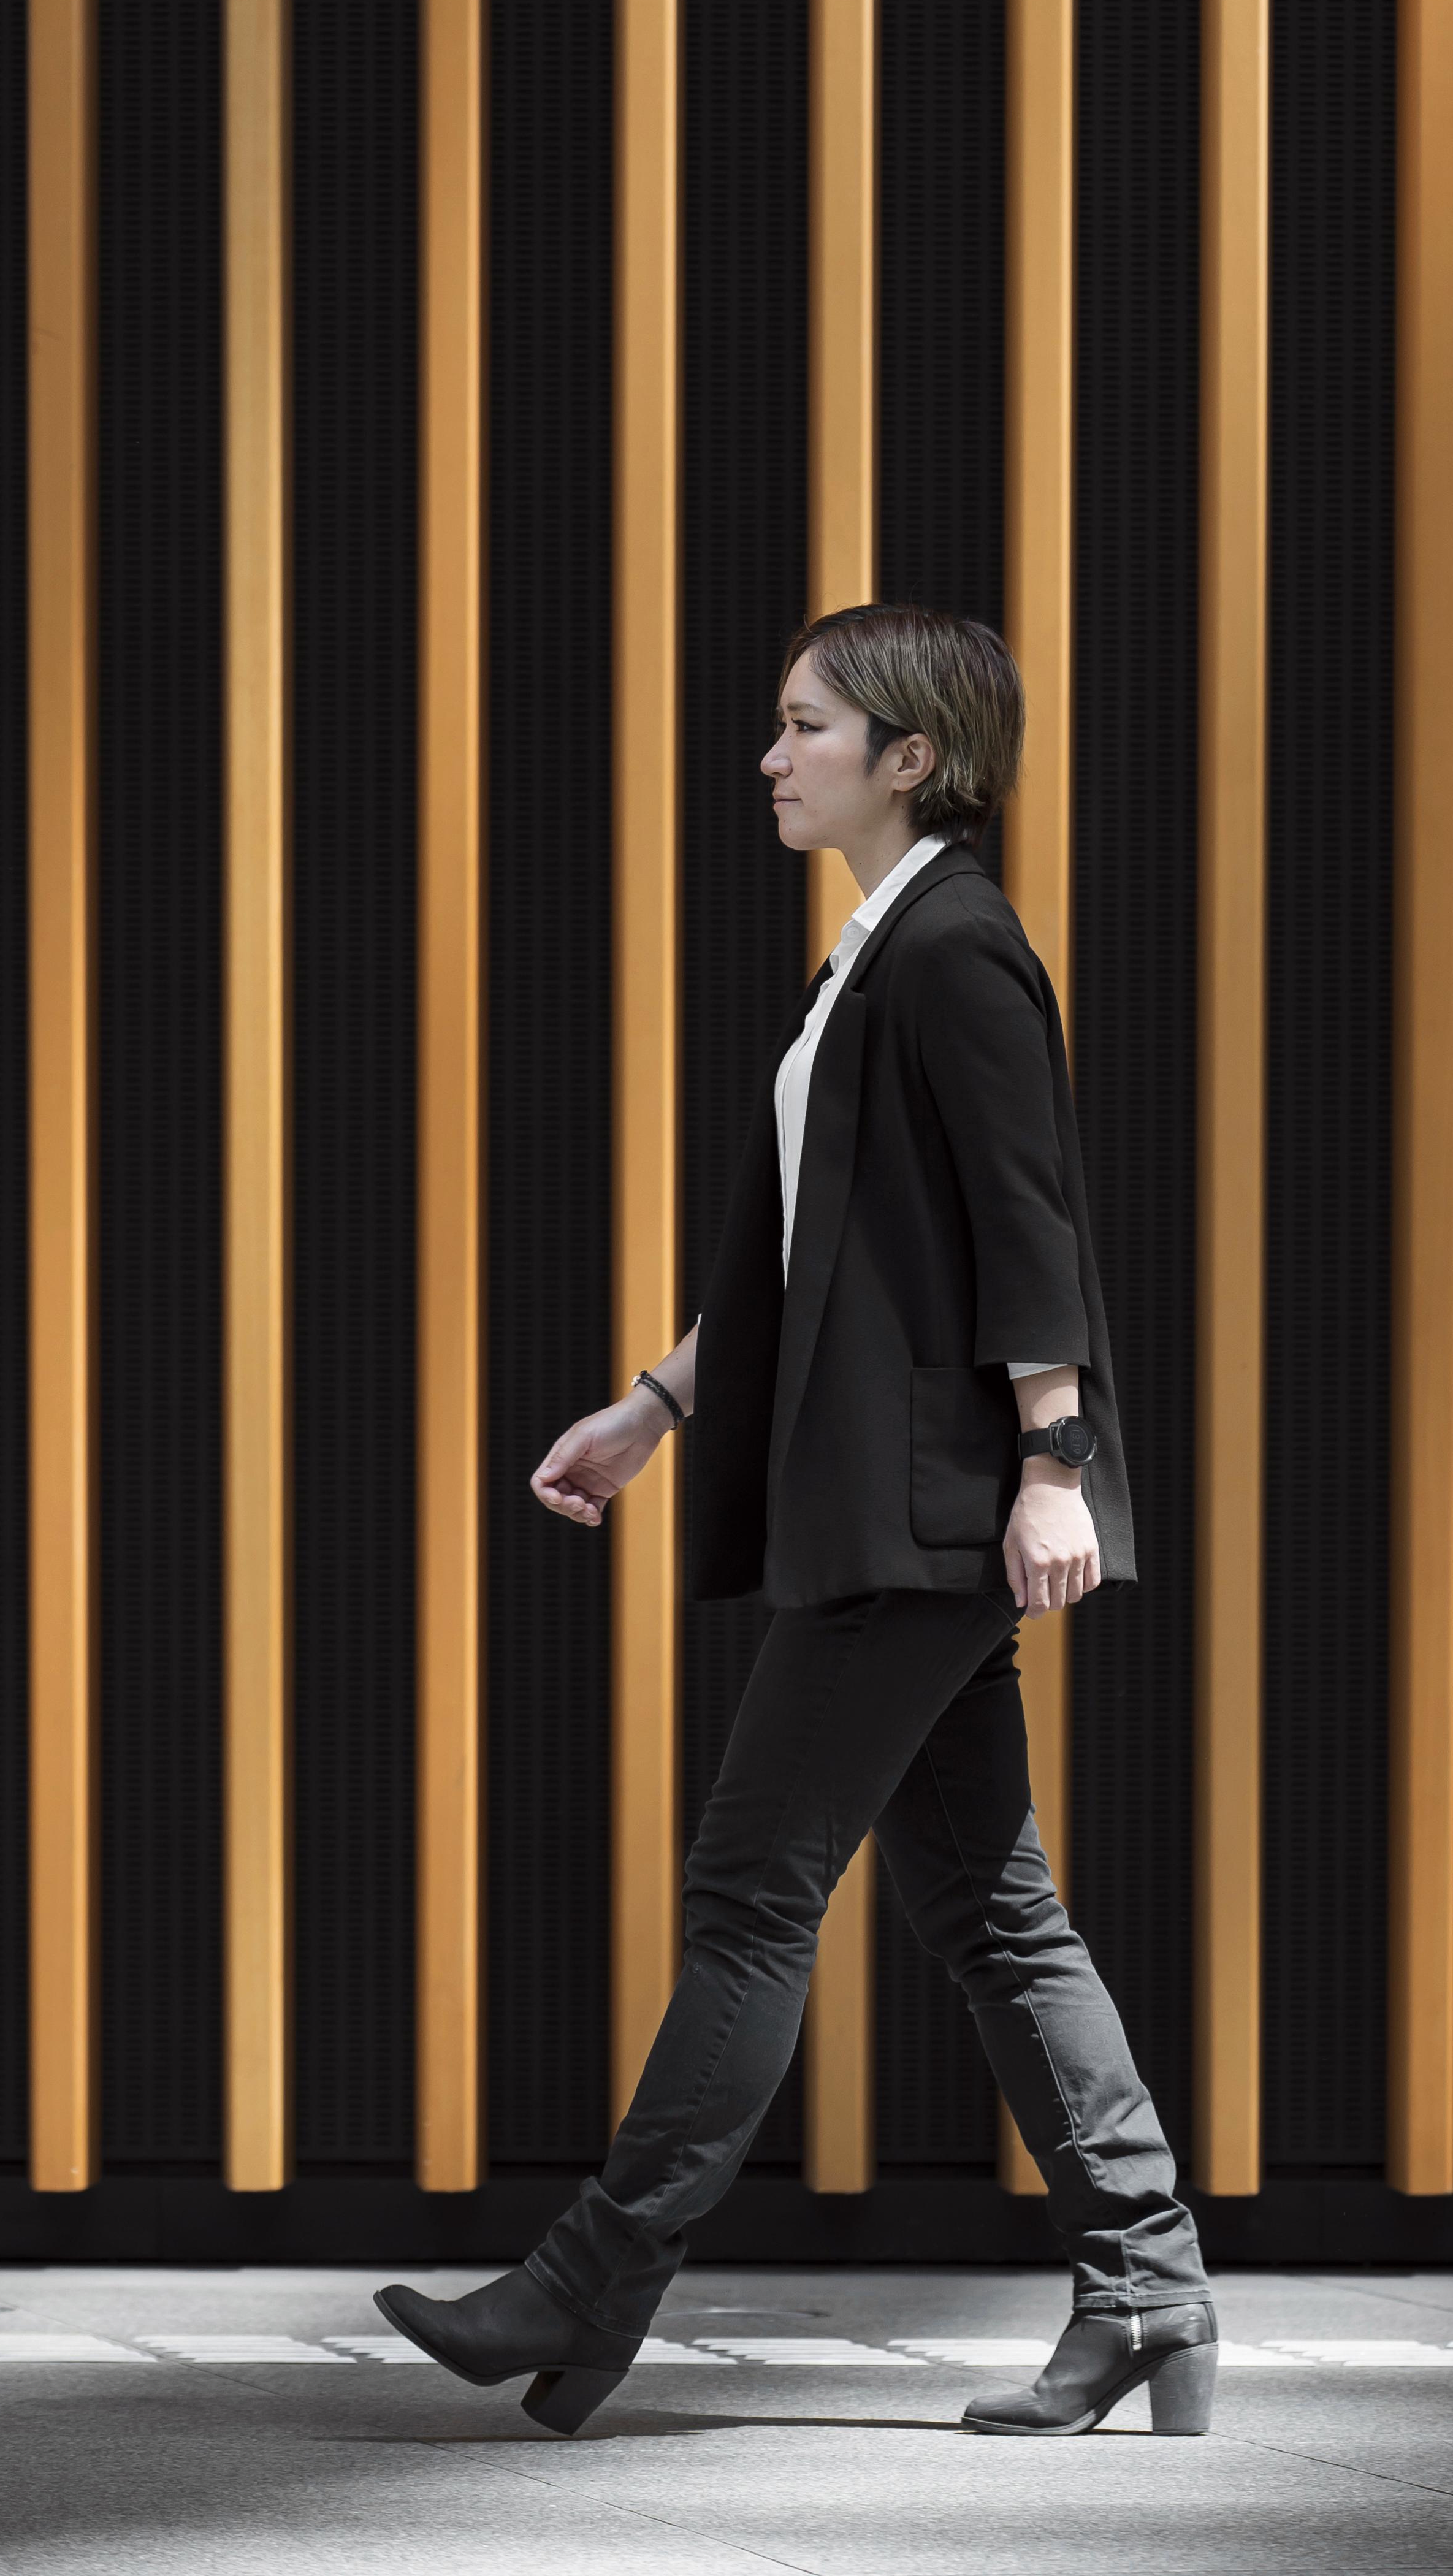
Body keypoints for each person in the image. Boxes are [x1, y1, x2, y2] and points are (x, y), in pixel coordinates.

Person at [378, 604, 1216, 2436]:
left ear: (912, 757)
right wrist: (654, 1407)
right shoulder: (875, 951)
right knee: (994, 1908)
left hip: (921, 1515)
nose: (771, 756)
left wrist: (1056, 1462)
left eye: (806, 724)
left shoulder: (956, 946)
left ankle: (589, 2284)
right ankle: (1148, 2288)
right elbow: (806, 1251)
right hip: (895, 1503)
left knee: (752, 1894)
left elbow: (1029, 1220)